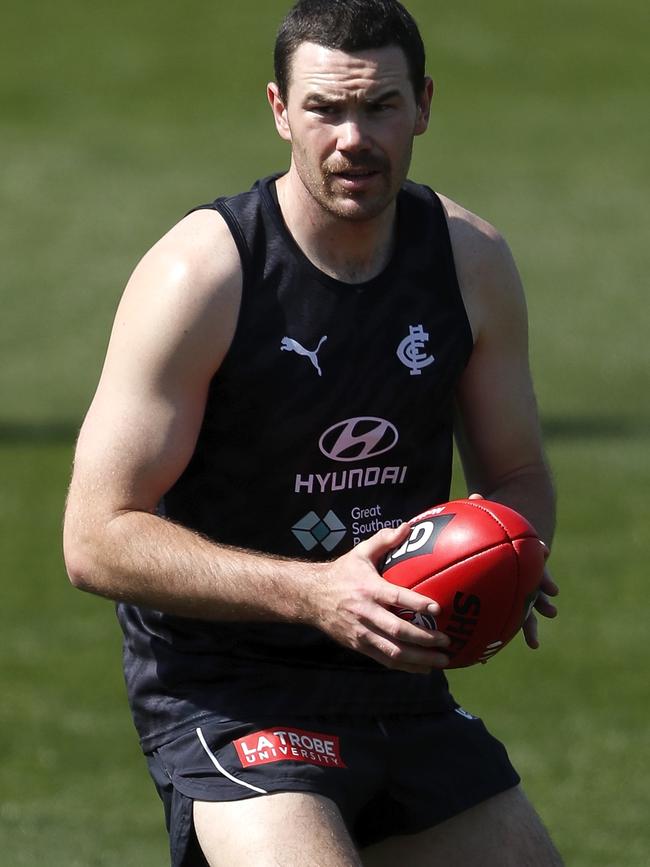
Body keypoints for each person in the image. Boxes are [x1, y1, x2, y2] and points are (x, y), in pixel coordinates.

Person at [63, 0, 563, 864]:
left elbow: (517, 470)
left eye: (380, 106)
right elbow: (95, 539)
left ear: (425, 105)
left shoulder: (468, 261)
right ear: (279, 110)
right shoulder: (204, 274)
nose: (353, 138)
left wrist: (510, 554)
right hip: (229, 689)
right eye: (327, 109)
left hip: (398, 679)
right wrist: (317, 594)